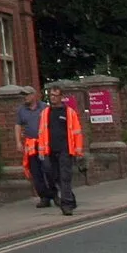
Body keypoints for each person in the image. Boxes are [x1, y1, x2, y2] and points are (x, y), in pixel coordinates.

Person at [29, 81, 86, 215]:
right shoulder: (45, 113)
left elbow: (77, 132)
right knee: (55, 177)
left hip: (66, 150)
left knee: (65, 177)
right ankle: (70, 198)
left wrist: (78, 151)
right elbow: (42, 132)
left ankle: (66, 205)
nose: (53, 98)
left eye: (55, 95)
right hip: (49, 151)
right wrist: (42, 151)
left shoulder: (69, 113)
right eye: (51, 95)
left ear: (61, 97)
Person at [15, 86, 52, 207]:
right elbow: (18, 126)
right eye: (23, 95)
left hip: (45, 144)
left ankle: (54, 193)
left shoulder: (44, 107)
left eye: (26, 95)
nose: (24, 97)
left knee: (48, 169)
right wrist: (18, 142)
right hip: (31, 145)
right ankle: (44, 197)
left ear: (33, 95)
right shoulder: (21, 110)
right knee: (35, 172)